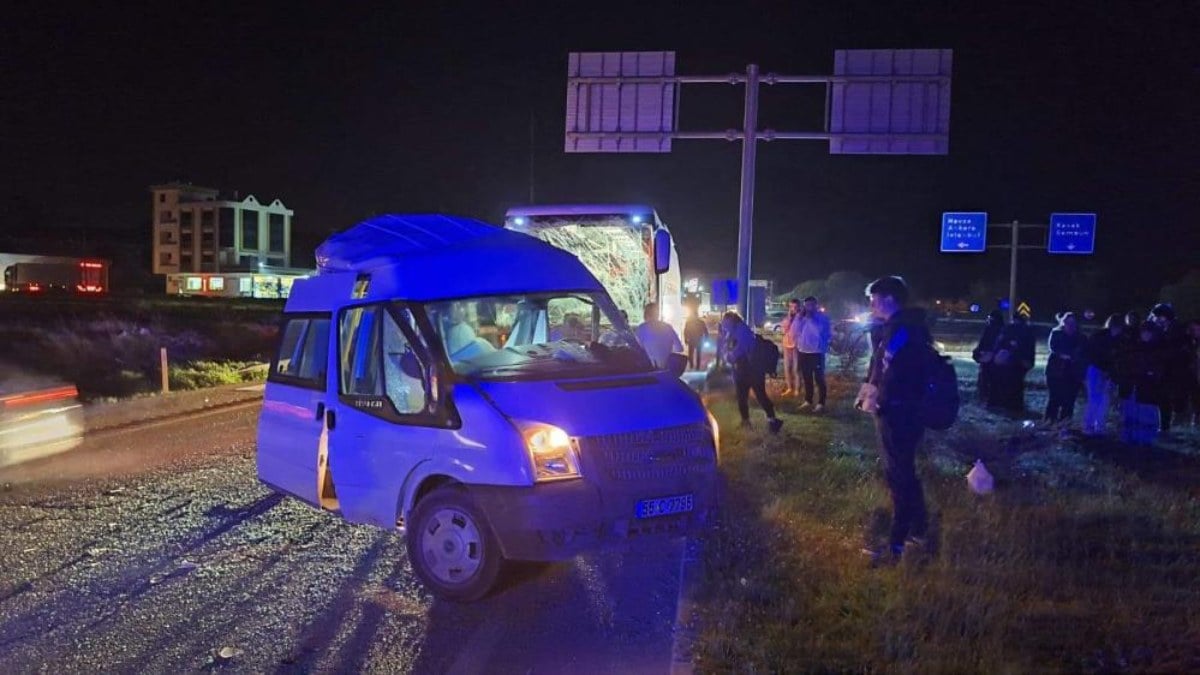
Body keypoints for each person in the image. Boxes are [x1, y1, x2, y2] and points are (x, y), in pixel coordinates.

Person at [855, 276, 932, 565]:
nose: (871, 304)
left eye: (874, 298)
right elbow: (882, 368)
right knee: (903, 473)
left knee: (900, 476)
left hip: (900, 412)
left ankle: (896, 545)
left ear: (888, 298)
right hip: (897, 410)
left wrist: (879, 398)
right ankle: (919, 530)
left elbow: (894, 372)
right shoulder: (899, 327)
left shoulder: (904, 329)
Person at [720, 311, 783, 433]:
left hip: (752, 369)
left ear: (731, 321)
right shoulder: (733, 331)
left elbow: (740, 350)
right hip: (742, 369)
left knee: (760, 395)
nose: (724, 325)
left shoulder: (742, 331)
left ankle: (772, 420)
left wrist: (729, 355)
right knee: (742, 396)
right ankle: (746, 421)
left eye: (725, 323)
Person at [1117, 321, 1167, 445]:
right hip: (1133, 385)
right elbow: (1127, 364)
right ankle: (1128, 437)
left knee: (1146, 413)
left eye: (1148, 332)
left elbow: (1160, 367)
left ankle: (1145, 439)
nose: (1145, 335)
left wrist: (1152, 373)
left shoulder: (1158, 349)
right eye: (1143, 332)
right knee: (1131, 412)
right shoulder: (1134, 347)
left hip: (1148, 387)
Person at [1149, 303, 1190, 432]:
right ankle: (1163, 426)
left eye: (1159, 317)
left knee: (1168, 399)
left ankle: (1168, 425)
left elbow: (1176, 350)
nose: (1157, 320)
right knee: (1162, 399)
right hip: (1165, 369)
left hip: (1173, 370)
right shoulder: (1163, 329)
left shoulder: (1175, 329)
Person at [1082, 314, 1124, 435]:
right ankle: (1089, 426)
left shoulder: (1119, 340)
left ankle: (1098, 426)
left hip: (1107, 372)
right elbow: (1091, 354)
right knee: (1095, 398)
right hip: (1096, 370)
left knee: (1104, 400)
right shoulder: (1099, 337)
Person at [1044, 312, 1087, 425]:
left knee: (1069, 401)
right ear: (1063, 323)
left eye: (1073, 323)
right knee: (1054, 399)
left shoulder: (1081, 337)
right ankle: (1049, 422)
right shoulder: (1056, 333)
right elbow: (1053, 348)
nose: (1070, 325)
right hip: (1056, 371)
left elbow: (1083, 352)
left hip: (1073, 373)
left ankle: (1065, 424)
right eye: (1068, 322)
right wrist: (1065, 355)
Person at [792, 296, 832, 411]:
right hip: (803, 351)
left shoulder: (822, 318)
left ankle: (821, 403)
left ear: (816, 305)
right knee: (807, 377)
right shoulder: (801, 317)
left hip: (817, 352)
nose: (808, 308)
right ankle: (808, 400)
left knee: (819, 378)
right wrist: (799, 318)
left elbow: (819, 333)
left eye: (811, 305)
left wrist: (811, 319)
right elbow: (794, 332)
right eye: (806, 305)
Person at [991, 313, 1036, 413]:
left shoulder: (1009, 329)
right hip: (1023, 361)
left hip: (1010, 362)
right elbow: (1031, 347)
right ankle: (1017, 406)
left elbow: (1000, 342)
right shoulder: (1028, 330)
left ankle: (1008, 405)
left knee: (1008, 383)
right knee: (1018, 384)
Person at [634, 302, 683, 370]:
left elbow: (635, 348)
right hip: (666, 370)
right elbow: (679, 348)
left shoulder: (641, 328)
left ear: (645, 314)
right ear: (657, 314)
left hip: (648, 370)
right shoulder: (668, 327)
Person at [972, 310, 1005, 407]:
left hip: (988, 359)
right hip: (998, 360)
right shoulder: (1004, 329)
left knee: (985, 381)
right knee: (995, 382)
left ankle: (985, 399)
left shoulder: (990, 329)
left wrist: (978, 354)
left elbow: (983, 343)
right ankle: (994, 400)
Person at [780, 299, 801, 397]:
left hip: (796, 346)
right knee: (787, 368)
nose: (793, 309)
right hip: (786, 345)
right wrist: (789, 317)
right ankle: (789, 388)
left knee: (796, 368)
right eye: (791, 307)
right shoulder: (788, 318)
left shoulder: (801, 318)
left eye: (795, 307)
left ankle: (797, 389)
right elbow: (784, 329)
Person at [683, 307, 709, 371]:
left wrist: (686, 339)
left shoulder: (689, 322)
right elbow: (705, 331)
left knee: (691, 354)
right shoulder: (701, 322)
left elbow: (685, 331)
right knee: (698, 354)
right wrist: (706, 338)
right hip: (698, 339)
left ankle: (692, 366)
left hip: (692, 339)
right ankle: (697, 367)